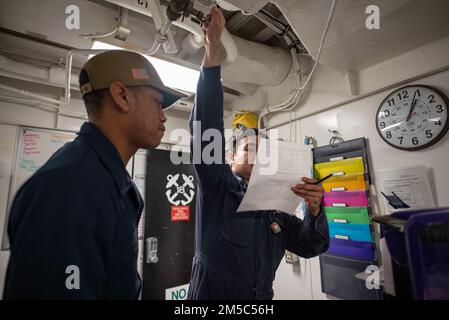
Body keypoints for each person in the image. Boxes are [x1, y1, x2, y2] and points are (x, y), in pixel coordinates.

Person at [3, 50, 185, 299]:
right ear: (122, 96)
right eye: (157, 102)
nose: (164, 116)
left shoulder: (100, 177)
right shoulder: (70, 187)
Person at [187, 7, 329, 300]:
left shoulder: (275, 207)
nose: (257, 156)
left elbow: (310, 246)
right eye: (249, 148)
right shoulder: (219, 190)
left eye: (264, 152)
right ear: (229, 158)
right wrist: (213, 51)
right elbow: (205, 135)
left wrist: (315, 210)